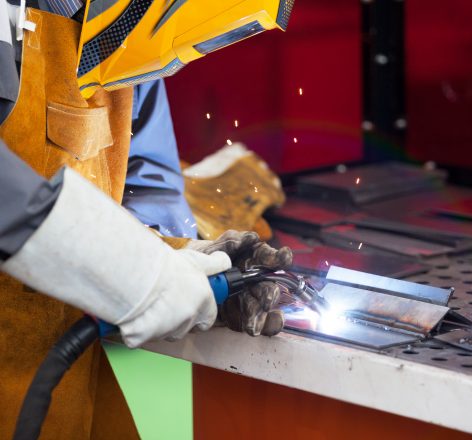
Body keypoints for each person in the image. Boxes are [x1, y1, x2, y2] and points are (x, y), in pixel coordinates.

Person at [0, 0, 291, 437]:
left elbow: (143, 191)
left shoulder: (122, 23)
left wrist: (188, 259)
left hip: (61, 386)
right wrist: (134, 273)